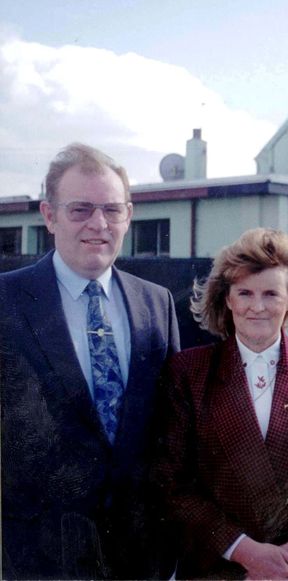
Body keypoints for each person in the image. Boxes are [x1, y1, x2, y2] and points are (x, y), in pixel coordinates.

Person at [0, 143, 181, 579]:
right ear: (49, 215)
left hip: (141, 555)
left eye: (112, 210)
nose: (98, 224)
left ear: (128, 215)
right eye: (80, 209)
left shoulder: (157, 303)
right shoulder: (6, 302)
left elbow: (174, 429)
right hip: (41, 558)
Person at [155, 228, 288, 580]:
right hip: (220, 568)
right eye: (245, 293)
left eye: (271, 293)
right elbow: (170, 481)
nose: (257, 306)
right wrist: (246, 552)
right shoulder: (188, 373)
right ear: (228, 299)